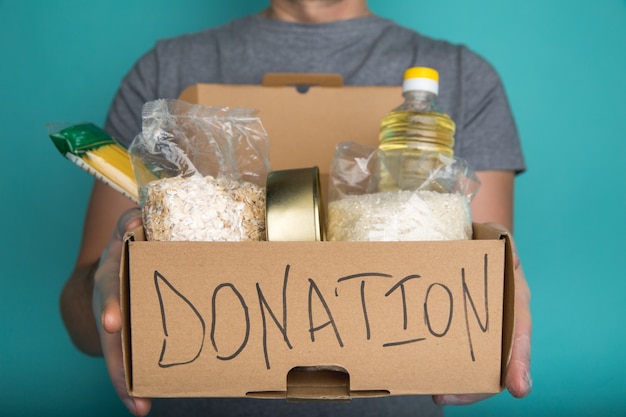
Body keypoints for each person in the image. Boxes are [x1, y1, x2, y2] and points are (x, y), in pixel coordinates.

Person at [59, 1, 532, 416]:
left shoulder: (465, 78)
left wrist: (494, 319)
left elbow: (486, 274)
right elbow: (81, 322)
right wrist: (112, 286)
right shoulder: (165, 72)